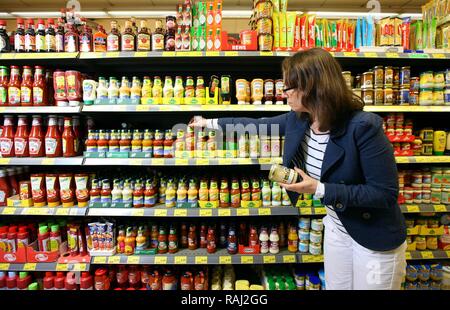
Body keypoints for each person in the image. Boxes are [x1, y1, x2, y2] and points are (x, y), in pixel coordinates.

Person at [189, 48, 407, 290]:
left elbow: (384, 193)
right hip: (337, 228)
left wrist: (319, 189)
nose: (284, 94)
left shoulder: (364, 127)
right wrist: (208, 123)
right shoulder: (301, 119)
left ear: (312, 87)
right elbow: (257, 125)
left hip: (373, 235)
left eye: (289, 87)